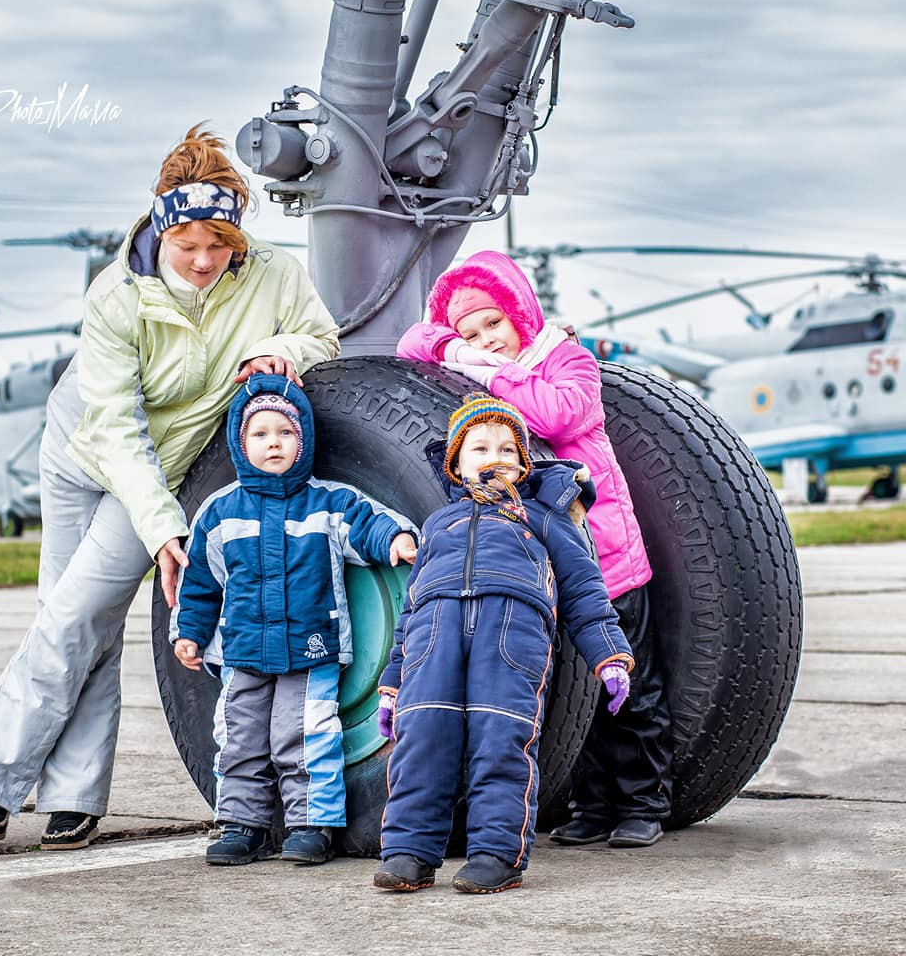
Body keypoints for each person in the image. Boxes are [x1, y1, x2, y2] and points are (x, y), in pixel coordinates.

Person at [0, 124, 340, 851]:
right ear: (160, 226)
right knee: (74, 614)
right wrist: (165, 528)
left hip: (159, 465)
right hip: (87, 451)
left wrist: (277, 347)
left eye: (218, 246)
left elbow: (322, 336)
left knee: (77, 613)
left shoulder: (273, 275)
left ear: (237, 235)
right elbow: (116, 426)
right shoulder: (116, 295)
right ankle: (68, 795)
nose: (202, 261)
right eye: (186, 246)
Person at [396, 250, 672, 849]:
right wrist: (453, 349)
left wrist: (486, 372)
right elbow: (411, 342)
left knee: (629, 689)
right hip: (544, 571)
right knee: (575, 696)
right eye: (470, 332)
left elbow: (559, 415)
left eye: (494, 323)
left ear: (520, 310)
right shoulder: (480, 358)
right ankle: (593, 805)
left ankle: (644, 803)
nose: (486, 341)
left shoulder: (565, 360)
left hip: (608, 560)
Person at [373, 394, 634, 894]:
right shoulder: (437, 525)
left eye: (507, 449)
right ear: (455, 464)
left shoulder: (545, 517)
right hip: (434, 638)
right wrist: (390, 682)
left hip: (512, 639)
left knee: (502, 740)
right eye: (479, 448)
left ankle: (497, 854)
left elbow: (583, 587)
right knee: (422, 737)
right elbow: (410, 609)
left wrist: (609, 654)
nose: (495, 457)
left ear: (523, 462)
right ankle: (410, 852)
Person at [170, 373, 418, 866]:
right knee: (238, 738)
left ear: (302, 439)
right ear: (241, 443)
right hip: (242, 651)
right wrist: (189, 634)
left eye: (285, 433)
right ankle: (244, 824)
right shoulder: (220, 512)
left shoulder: (327, 502)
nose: (273, 443)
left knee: (305, 735)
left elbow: (367, 521)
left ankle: (312, 823)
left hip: (311, 648)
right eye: (260, 434)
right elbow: (199, 582)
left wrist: (394, 539)